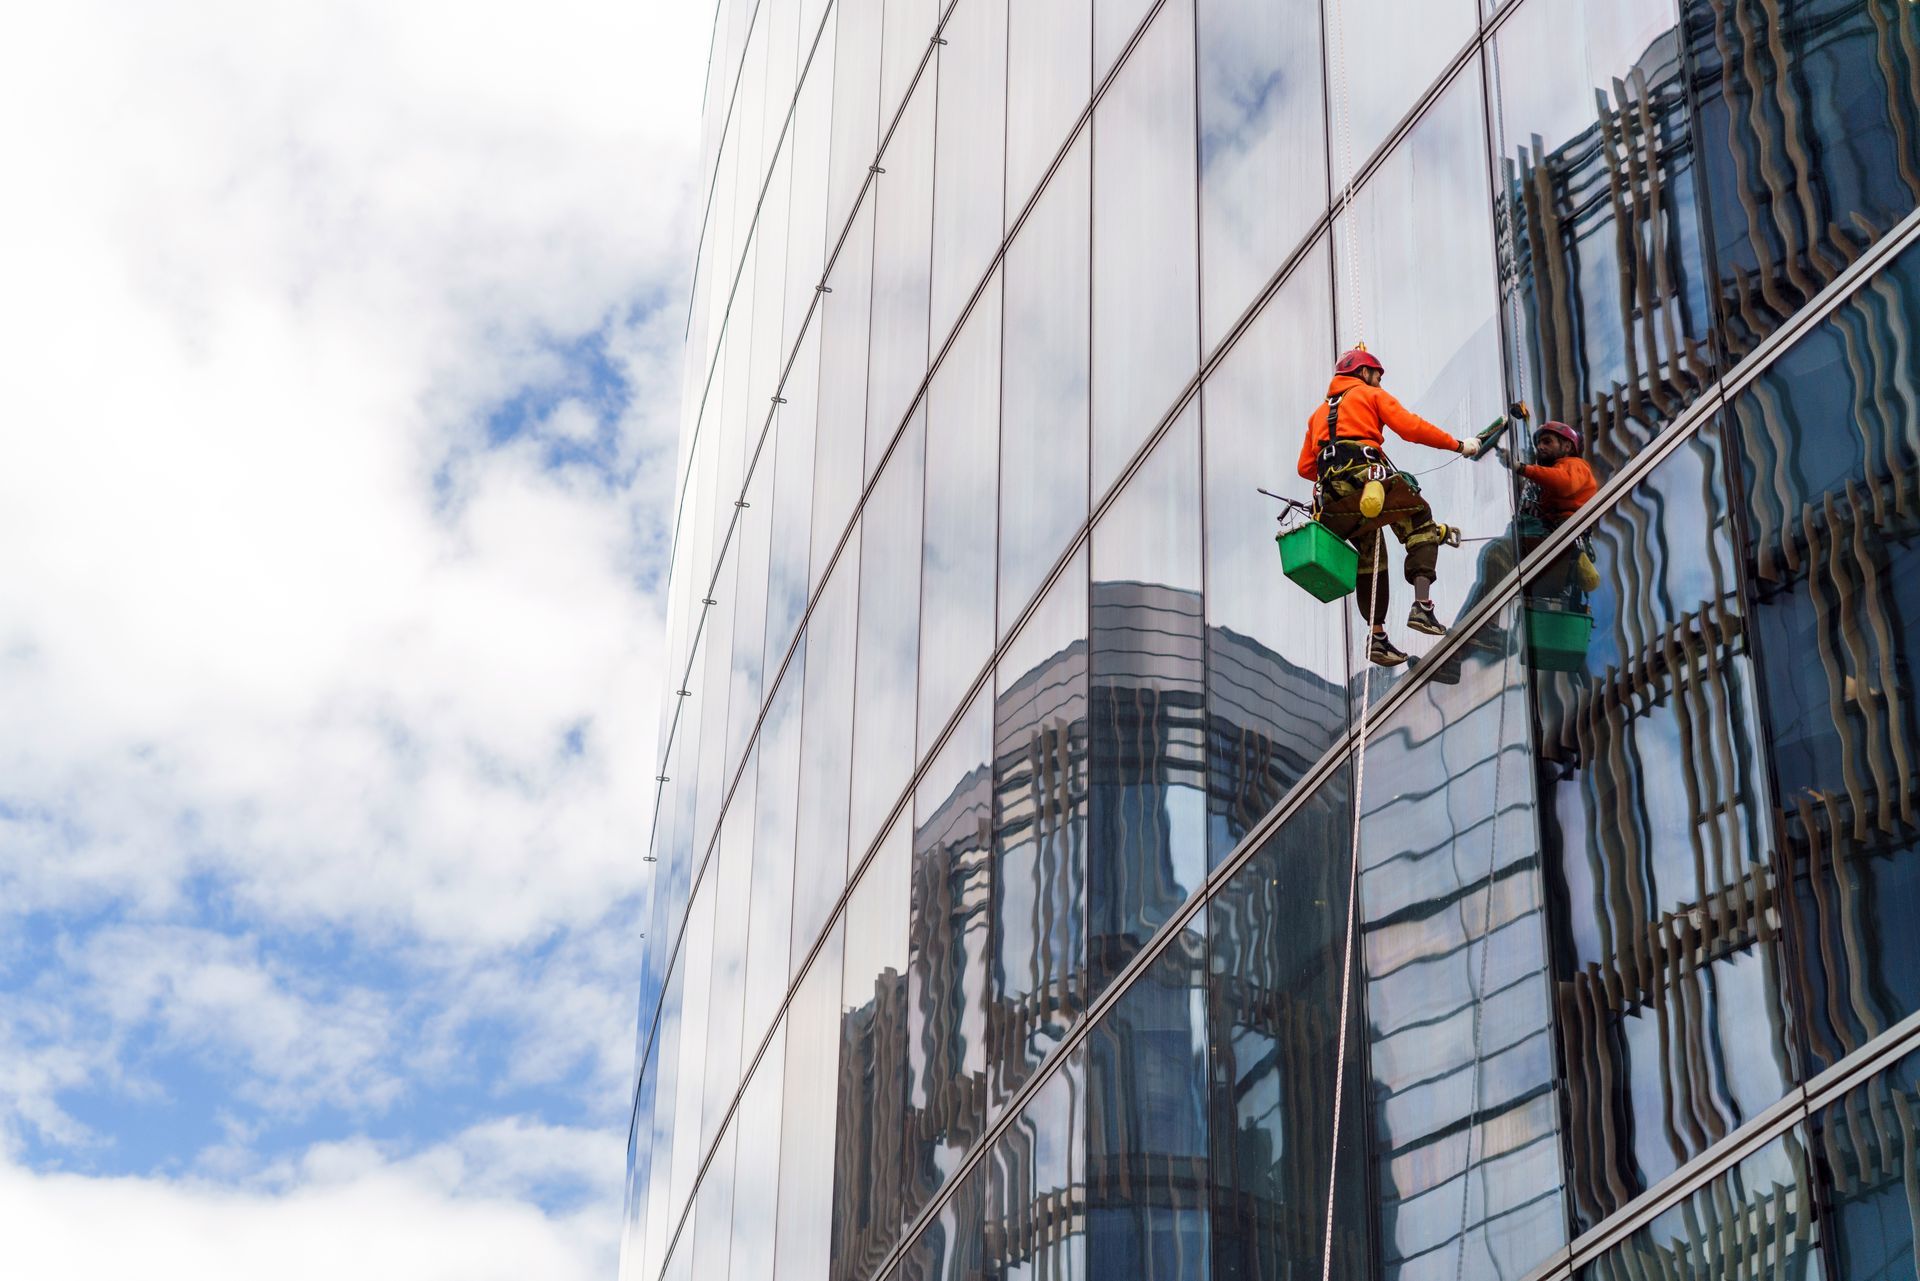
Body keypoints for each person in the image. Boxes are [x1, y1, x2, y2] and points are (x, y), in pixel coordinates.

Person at [1298, 346, 1483, 667]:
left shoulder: (1317, 415)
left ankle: (1377, 636)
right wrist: (1457, 444)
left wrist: (1337, 467)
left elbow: (1305, 468)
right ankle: (1422, 606)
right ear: (1361, 373)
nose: (1379, 384)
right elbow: (1410, 427)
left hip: (1332, 497)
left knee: (1371, 554)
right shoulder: (1369, 396)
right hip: (1367, 477)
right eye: (1377, 376)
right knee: (1420, 519)